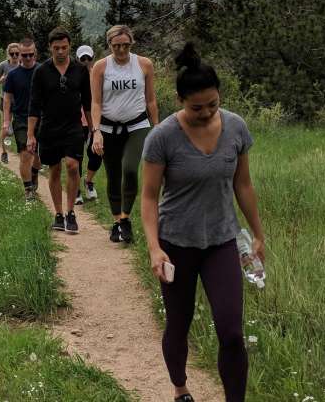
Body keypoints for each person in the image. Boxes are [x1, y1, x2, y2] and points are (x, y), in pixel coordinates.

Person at [140, 43, 266, 402]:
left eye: (212, 104)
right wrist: (154, 248)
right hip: (177, 244)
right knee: (178, 326)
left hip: (222, 242)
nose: (206, 113)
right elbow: (149, 197)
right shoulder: (162, 137)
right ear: (180, 100)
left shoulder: (236, 127)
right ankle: (180, 388)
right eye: (197, 107)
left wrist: (257, 234)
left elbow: (243, 184)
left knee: (231, 332)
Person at [90, 25, 158, 243]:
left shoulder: (144, 64)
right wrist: (96, 131)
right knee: (113, 174)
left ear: (132, 44)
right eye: (116, 46)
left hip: (137, 125)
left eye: (125, 45)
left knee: (129, 169)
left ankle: (126, 217)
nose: (121, 50)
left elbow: (150, 100)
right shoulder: (101, 67)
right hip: (109, 127)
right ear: (109, 45)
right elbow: (96, 101)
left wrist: (157, 128)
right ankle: (117, 220)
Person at [27, 28, 91, 235]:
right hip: (49, 127)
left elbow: (88, 102)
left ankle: (71, 211)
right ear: (50, 48)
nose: (61, 51)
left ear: (69, 46)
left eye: (64, 47)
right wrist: (30, 134)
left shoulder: (80, 70)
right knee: (54, 169)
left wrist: (94, 129)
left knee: (73, 166)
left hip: (74, 126)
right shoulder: (42, 71)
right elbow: (34, 104)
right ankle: (58, 213)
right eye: (56, 48)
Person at [3, 38, 42, 200]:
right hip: (21, 118)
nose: (27, 58)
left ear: (35, 54)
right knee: (26, 154)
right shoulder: (12, 75)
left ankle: (34, 173)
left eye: (30, 55)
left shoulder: (43, 71)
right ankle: (28, 189)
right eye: (23, 55)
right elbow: (6, 99)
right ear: (18, 55)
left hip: (42, 118)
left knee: (39, 155)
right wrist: (6, 121)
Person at [74, 45, 102, 206]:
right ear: (77, 59)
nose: (85, 61)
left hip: (96, 122)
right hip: (76, 121)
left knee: (97, 154)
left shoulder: (98, 75)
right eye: (82, 59)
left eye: (88, 58)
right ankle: (76, 189)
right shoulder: (73, 75)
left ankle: (89, 181)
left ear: (92, 59)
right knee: (77, 156)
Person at [0, 43, 21, 164]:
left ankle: (23, 154)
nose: (14, 56)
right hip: (5, 100)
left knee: (19, 128)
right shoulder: (3, 65)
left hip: (20, 101)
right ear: (8, 54)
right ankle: (4, 152)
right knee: (5, 128)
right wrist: (0, 80)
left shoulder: (24, 65)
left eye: (17, 53)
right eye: (12, 53)